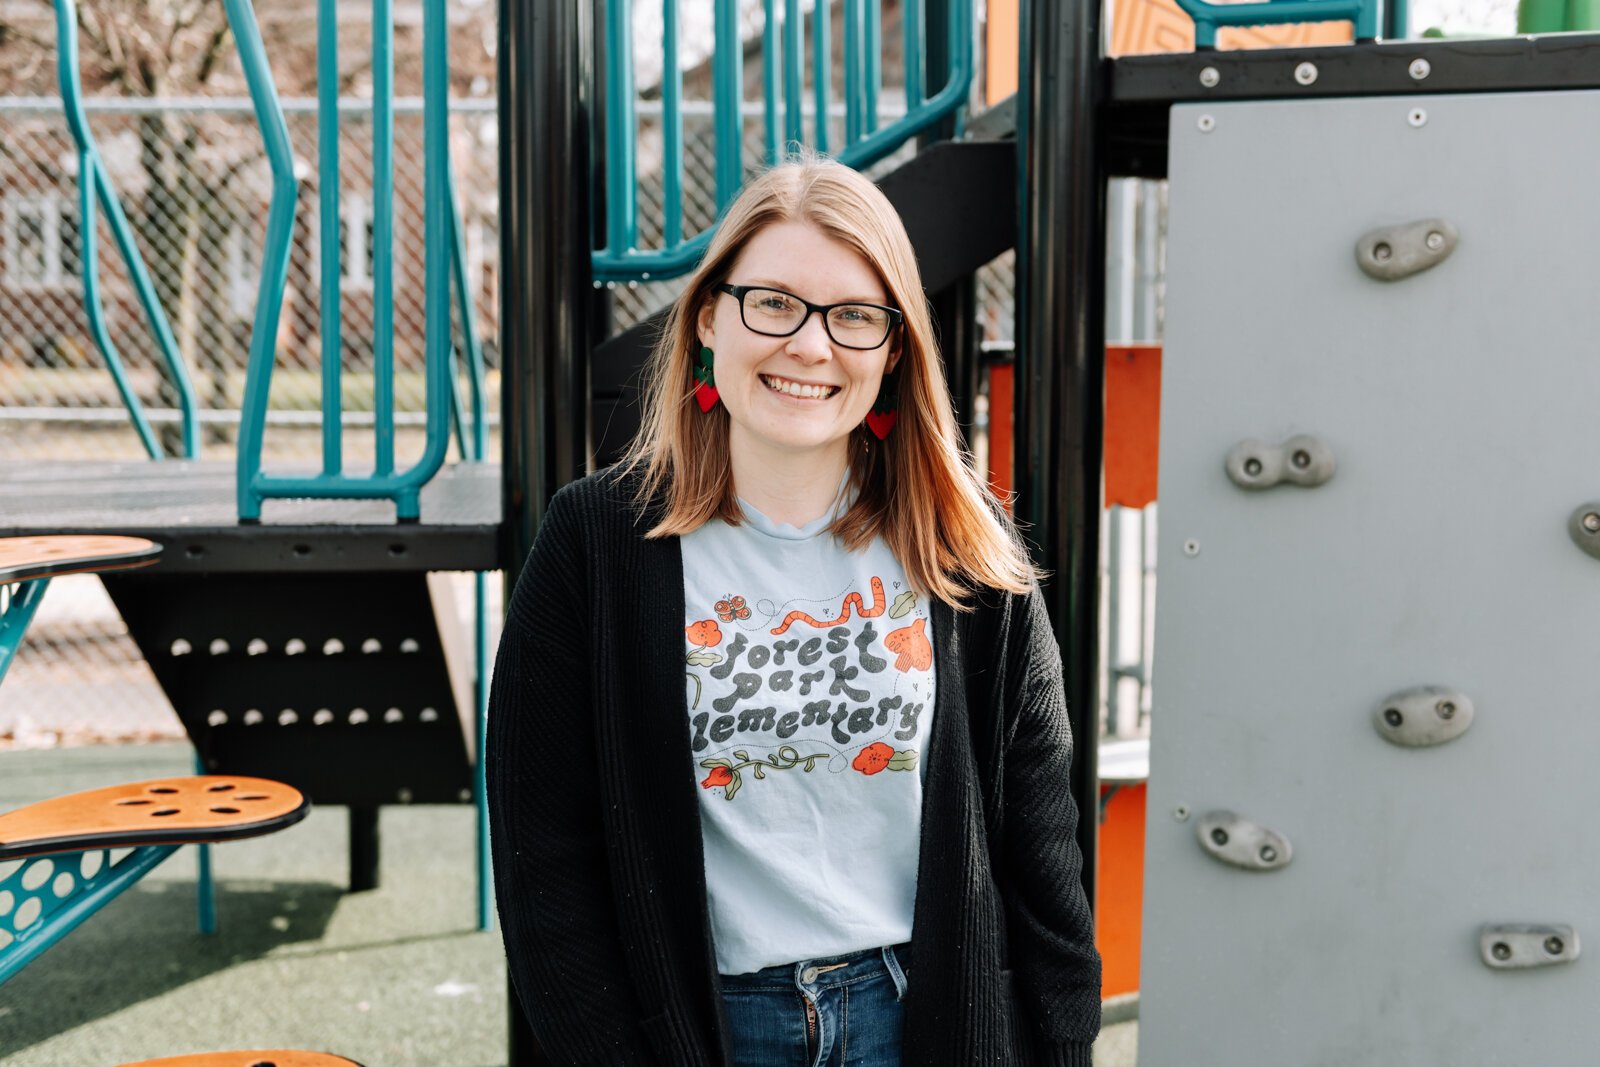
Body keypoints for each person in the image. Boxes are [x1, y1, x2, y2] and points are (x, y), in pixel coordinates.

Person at [487, 155, 1102, 1067]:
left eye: (855, 316)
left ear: (894, 351)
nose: (811, 346)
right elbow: (543, 856)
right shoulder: (596, 541)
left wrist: (1061, 1044)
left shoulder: (962, 547)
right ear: (708, 317)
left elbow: (1042, 851)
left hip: (924, 1020)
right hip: (708, 1030)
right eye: (772, 302)